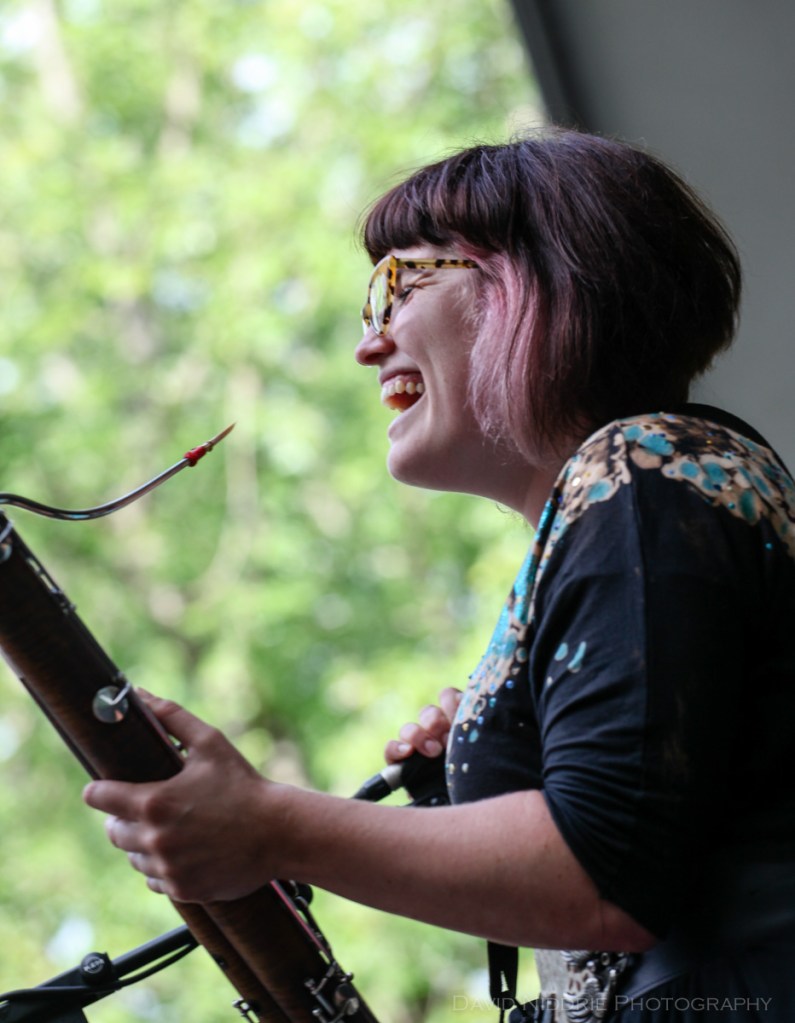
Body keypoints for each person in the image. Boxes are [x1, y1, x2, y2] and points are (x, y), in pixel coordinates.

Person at [83, 130, 795, 1022]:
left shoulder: (639, 465)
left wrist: (273, 825)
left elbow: (603, 877)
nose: (367, 345)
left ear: (536, 278)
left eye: (396, 284)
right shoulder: (642, 487)